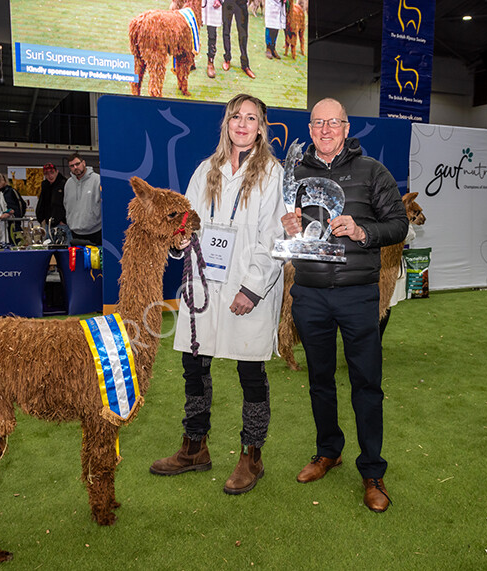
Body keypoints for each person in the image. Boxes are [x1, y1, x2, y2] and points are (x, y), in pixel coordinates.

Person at [150, 94, 286, 495]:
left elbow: (273, 238)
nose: (242, 124)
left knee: (250, 371)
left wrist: (252, 288)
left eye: (251, 118)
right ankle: (195, 446)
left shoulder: (272, 174)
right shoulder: (205, 170)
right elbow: (187, 223)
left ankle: (252, 455)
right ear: (226, 124)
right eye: (235, 117)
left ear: (261, 126)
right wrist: (178, 244)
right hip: (203, 283)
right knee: (195, 365)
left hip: (247, 287)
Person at [280, 97, 408, 513]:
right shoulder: (294, 174)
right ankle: (328, 450)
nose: (325, 129)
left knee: (366, 383)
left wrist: (361, 230)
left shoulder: (372, 172)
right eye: (317, 123)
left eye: (333, 122)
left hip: (357, 294)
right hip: (310, 293)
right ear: (311, 128)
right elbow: (281, 228)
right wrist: (287, 226)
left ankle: (372, 470)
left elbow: (398, 224)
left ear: (347, 127)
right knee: (320, 379)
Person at [63, 152, 101, 245]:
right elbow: (66, 204)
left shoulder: (97, 180)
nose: (75, 167)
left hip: (95, 232)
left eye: (77, 164)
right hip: (75, 233)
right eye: (72, 166)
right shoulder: (68, 183)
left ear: (83, 163)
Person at [221, 0, 255, 79]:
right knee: (226, 30)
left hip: (241, 3)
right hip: (228, 2)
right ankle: (227, 58)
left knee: (243, 34)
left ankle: (245, 64)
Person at [36, 163, 69, 240]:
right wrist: (41, 218)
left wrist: (64, 220)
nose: (50, 176)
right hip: (49, 224)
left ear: (56, 172)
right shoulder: (45, 186)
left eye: (52, 172)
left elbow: (70, 204)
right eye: (46, 174)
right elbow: (42, 203)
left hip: (62, 224)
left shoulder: (65, 184)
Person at [203, 0, 223, 78]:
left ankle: (210, 62)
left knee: (212, 34)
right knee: (193, 30)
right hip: (198, 3)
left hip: (213, 4)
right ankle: (191, 60)